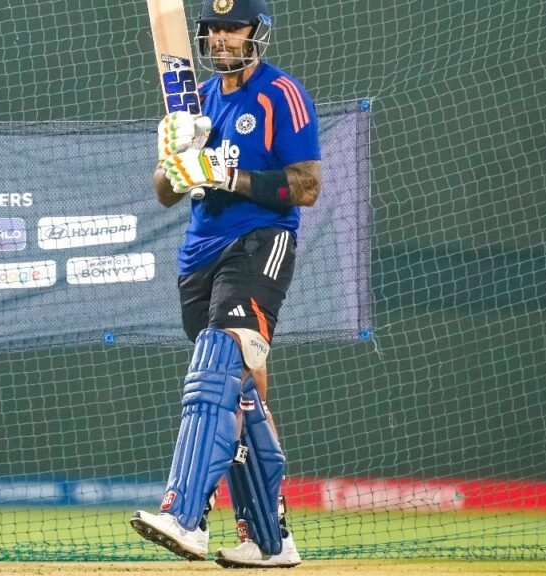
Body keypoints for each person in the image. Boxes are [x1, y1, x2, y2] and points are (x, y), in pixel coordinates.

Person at [130, 0, 321, 569]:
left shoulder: (280, 94)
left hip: (260, 242)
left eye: (232, 28)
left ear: (257, 33)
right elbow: (165, 191)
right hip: (200, 256)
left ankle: (183, 515)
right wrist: (176, 157)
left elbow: (307, 187)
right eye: (212, 29)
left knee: (215, 366)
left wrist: (225, 174)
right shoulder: (198, 102)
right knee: (239, 393)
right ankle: (269, 541)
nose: (220, 38)